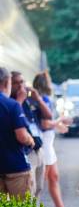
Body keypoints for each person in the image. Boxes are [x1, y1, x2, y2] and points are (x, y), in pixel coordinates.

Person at [32, 71, 79, 207]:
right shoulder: (44, 99)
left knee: (52, 177)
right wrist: (59, 120)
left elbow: (46, 124)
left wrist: (57, 126)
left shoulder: (38, 99)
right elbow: (45, 124)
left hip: (47, 143)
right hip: (45, 144)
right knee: (41, 182)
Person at [10, 70, 52, 199]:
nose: (20, 85)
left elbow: (48, 116)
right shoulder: (12, 102)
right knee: (29, 189)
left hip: (38, 148)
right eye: (15, 83)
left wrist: (38, 98)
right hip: (25, 151)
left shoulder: (31, 99)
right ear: (8, 85)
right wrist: (20, 100)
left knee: (39, 187)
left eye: (22, 82)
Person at [0, 67, 35, 197]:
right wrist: (30, 141)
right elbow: (21, 136)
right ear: (6, 82)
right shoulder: (12, 105)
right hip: (16, 167)